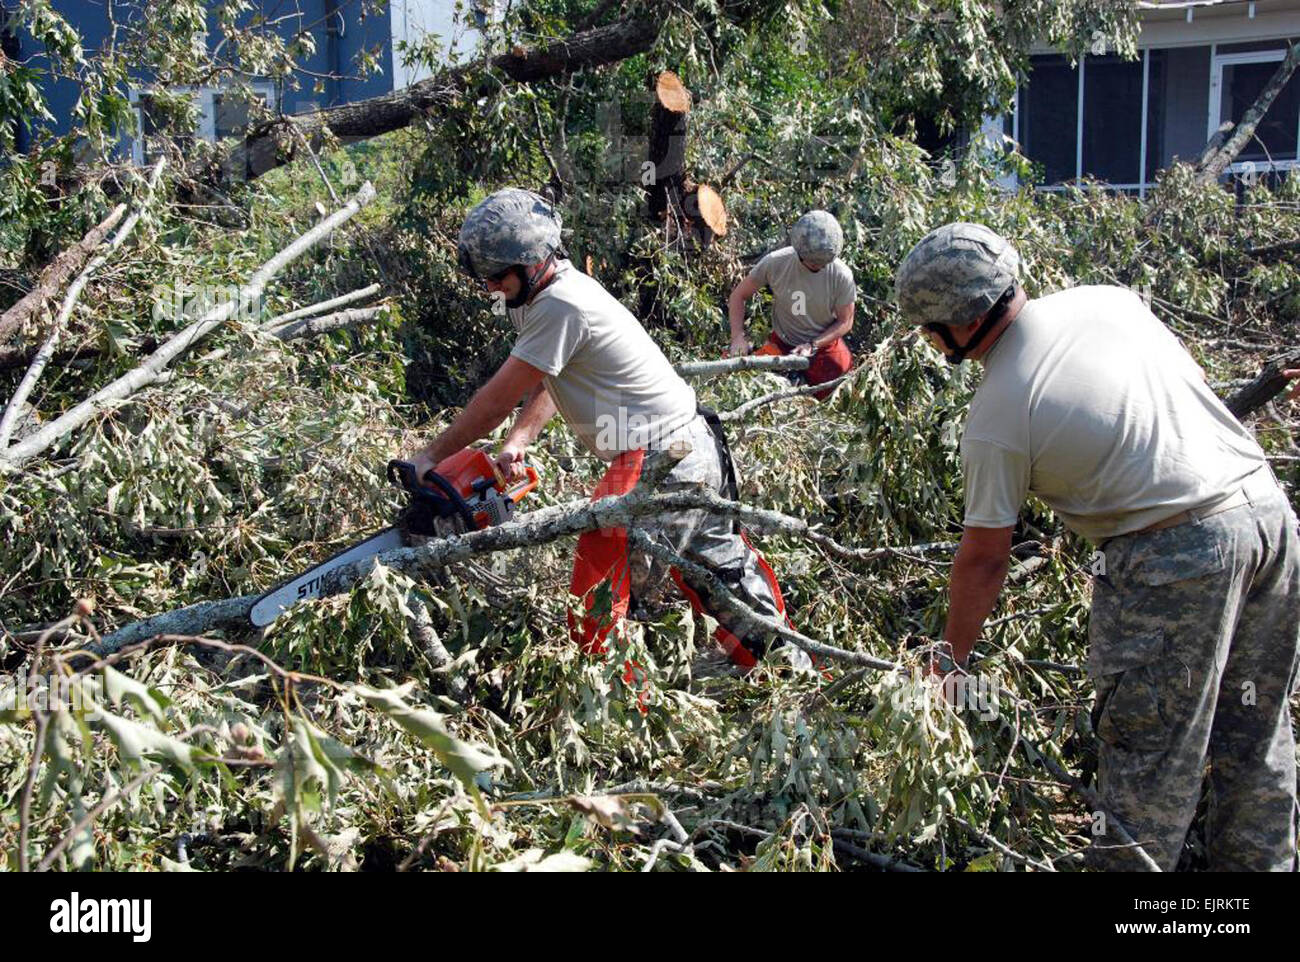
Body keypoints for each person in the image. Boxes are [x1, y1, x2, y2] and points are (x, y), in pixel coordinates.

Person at [893, 222, 1300, 872]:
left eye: (926, 326)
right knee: (1255, 733)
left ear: (954, 325)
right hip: (1269, 515)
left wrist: (950, 660)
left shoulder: (998, 413)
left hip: (1180, 557)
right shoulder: (1107, 300)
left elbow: (985, 560)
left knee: (1149, 765)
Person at [410, 188, 798, 671]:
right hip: (688, 441)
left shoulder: (560, 304)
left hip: (658, 455)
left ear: (531, 263)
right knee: (720, 571)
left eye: (496, 277)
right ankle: (785, 667)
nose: (490, 287)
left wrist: (429, 457)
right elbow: (552, 374)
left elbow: (495, 400)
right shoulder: (542, 297)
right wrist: (519, 439)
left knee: (601, 588)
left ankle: (609, 702)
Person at [727, 210, 856, 400]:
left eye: (824, 262)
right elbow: (739, 295)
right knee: (749, 386)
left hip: (824, 346)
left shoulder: (841, 275)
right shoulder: (776, 263)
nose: (819, 266)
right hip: (782, 342)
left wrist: (813, 345)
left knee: (840, 391)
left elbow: (846, 321)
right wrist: (737, 336)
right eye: (813, 262)